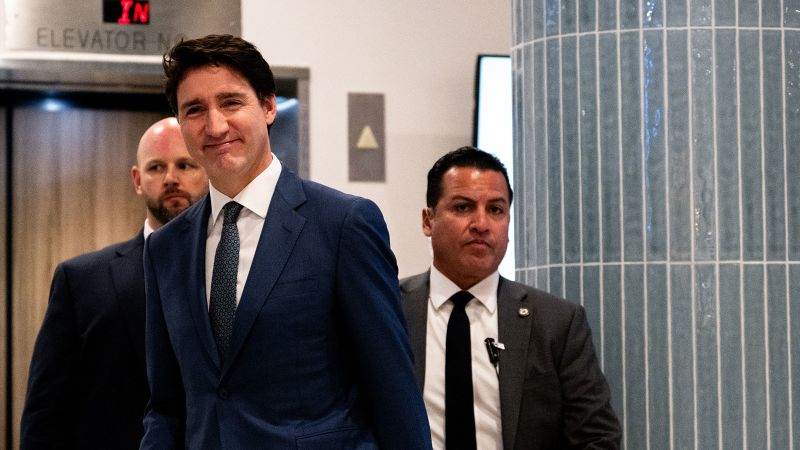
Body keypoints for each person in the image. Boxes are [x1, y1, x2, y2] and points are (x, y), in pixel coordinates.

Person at [140, 34, 431, 449]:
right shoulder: (165, 249)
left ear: (269, 106)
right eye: (195, 110)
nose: (215, 124)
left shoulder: (344, 224)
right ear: (182, 124)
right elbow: (166, 406)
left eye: (231, 102)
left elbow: (394, 391)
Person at [401, 146, 621, 450]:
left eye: (495, 210)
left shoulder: (558, 323)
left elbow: (597, 439)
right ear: (428, 220)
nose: (481, 224)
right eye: (463, 207)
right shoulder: (388, 311)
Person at [20, 117, 208, 450]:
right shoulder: (79, 281)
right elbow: (44, 414)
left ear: (207, 171)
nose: (171, 179)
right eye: (156, 168)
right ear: (137, 180)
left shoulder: (233, 273)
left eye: (185, 165)